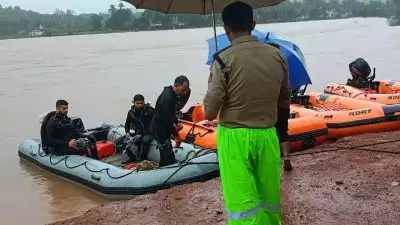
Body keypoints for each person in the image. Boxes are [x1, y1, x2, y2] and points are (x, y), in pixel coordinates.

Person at [203, 2, 291, 225]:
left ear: (226, 29)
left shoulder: (222, 60)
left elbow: (210, 112)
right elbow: (284, 100)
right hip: (267, 135)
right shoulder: (277, 56)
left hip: (235, 138)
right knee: (269, 199)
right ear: (253, 24)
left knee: (243, 206)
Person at [151, 75, 190, 167]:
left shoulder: (171, 93)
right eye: (183, 90)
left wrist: (177, 122)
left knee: (166, 152)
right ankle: (168, 166)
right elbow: (168, 119)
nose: (184, 93)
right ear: (176, 85)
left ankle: (164, 164)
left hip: (163, 124)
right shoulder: (168, 97)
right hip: (159, 126)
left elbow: (171, 113)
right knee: (166, 151)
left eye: (186, 90)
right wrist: (177, 136)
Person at [122, 94, 155, 164]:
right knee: (123, 140)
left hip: (150, 132)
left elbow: (152, 127)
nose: (139, 105)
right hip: (138, 132)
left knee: (145, 140)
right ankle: (131, 157)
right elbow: (127, 124)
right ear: (133, 102)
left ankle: (143, 158)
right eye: (137, 103)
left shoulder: (149, 112)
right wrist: (127, 132)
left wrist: (141, 135)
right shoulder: (131, 113)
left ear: (144, 102)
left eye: (141, 103)